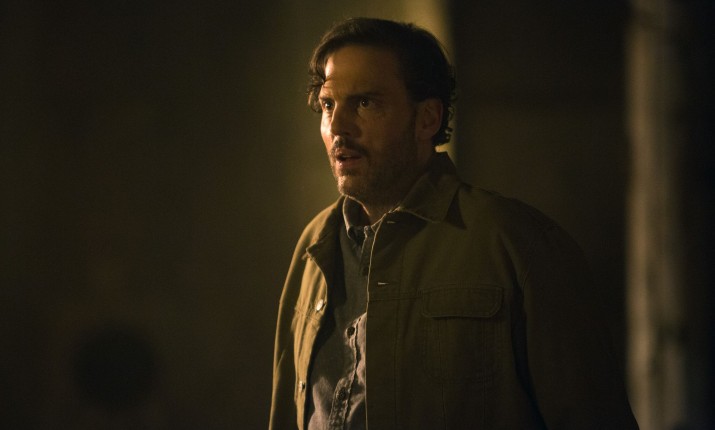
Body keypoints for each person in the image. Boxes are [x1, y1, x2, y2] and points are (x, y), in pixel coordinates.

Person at [269, 17, 639, 429]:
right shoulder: (315, 246)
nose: (338, 127)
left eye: (366, 103)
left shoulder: (515, 244)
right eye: (328, 105)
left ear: (427, 119)